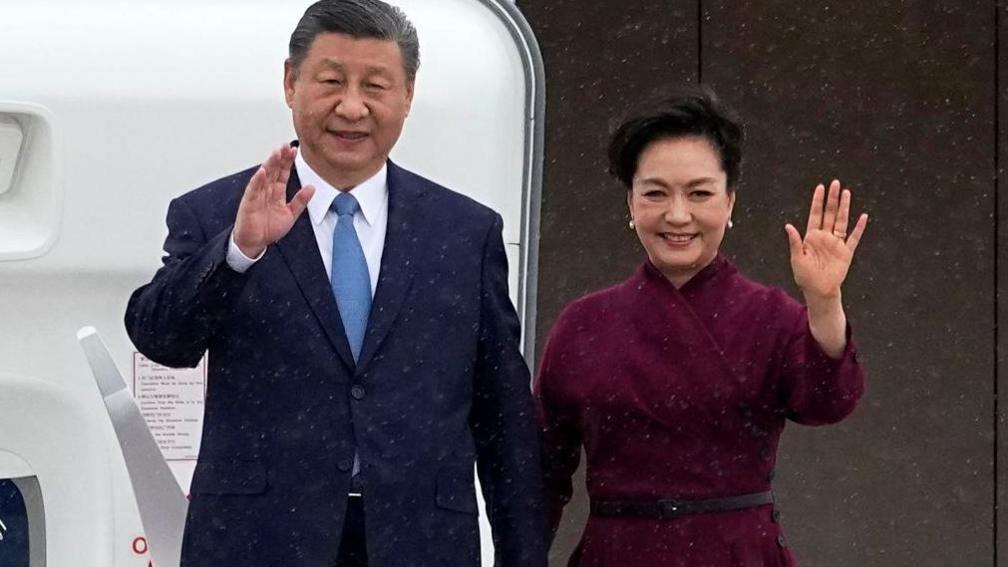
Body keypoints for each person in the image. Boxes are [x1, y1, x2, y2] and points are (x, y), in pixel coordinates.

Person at [124, 1, 546, 565]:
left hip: (419, 540)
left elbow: (502, 417)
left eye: (376, 85)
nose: (352, 106)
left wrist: (524, 555)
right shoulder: (218, 212)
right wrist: (238, 251)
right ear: (291, 82)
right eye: (330, 81)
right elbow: (161, 340)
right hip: (261, 539)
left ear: (408, 95)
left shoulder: (465, 232)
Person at [534, 88, 868, 566]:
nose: (677, 215)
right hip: (617, 551)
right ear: (630, 204)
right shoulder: (583, 324)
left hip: (737, 551)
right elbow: (541, 471)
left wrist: (824, 300)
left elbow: (827, 401)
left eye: (699, 193)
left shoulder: (770, 315)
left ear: (729, 203)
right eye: (655, 193)